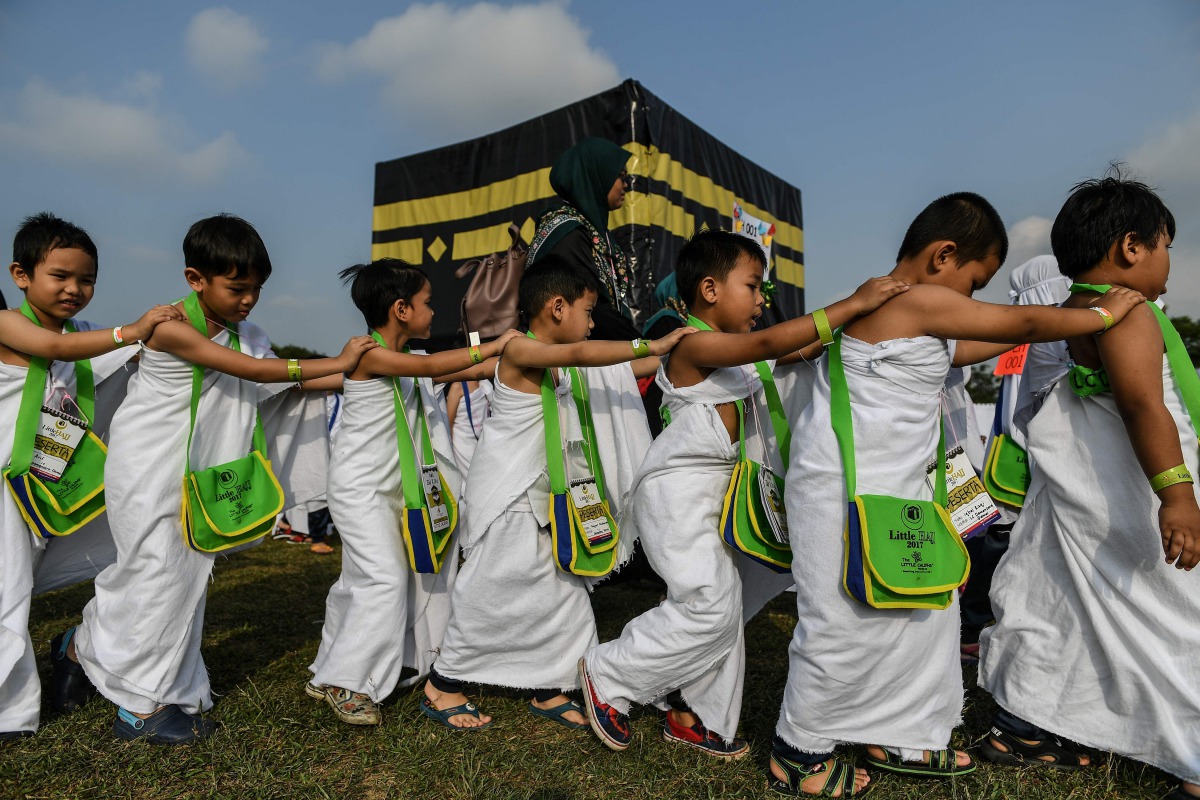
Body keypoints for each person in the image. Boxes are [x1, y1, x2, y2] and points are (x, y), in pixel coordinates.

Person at [769, 192, 1145, 797]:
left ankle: (901, 730)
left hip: (896, 494)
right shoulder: (912, 299)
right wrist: (1098, 317)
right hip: (840, 490)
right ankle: (799, 747)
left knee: (926, 612)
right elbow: (1015, 324)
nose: (970, 299)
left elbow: (972, 343)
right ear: (943, 256)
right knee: (840, 619)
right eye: (974, 283)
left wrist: (1064, 308)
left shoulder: (916, 315)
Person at [577, 230, 909, 760]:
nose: (763, 300)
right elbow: (766, 345)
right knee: (709, 603)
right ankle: (609, 672)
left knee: (727, 603)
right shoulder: (691, 342)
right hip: (677, 494)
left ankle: (692, 710)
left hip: (723, 493)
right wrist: (854, 302)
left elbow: (797, 349)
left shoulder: (741, 360)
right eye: (753, 286)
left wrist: (869, 317)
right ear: (709, 289)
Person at [71, 214, 376, 745]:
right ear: (195, 278)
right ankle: (138, 707)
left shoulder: (248, 336)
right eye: (237, 288)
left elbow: (276, 384)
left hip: (203, 475)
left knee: (181, 581)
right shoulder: (170, 327)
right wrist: (338, 359)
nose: (249, 300)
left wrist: (364, 370)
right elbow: (253, 373)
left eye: (256, 289)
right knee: (153, 575)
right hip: (148, 471)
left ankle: (82, 651)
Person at [979, 175, 1199, 800]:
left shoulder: (1079, 308)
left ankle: (1027, 724)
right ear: (1131, 247)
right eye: (1165, 248)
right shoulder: (1127, 312)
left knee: (1061, 603)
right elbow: (1142, 406)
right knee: (1175, 614)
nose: (1167, 265)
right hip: (1139, 490)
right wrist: (1178, 496)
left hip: (1088, 486)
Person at [421, 255, 693, 730]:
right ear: (557, 307)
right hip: (509, 496)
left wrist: (680, 351)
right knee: (491, 587)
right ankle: (443, 682)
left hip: (547, 496)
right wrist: (654, 341)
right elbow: (584, 355)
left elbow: (633, 365)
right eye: (588, 313)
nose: (592, 324)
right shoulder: (522, 351)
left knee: (562, 591)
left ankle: (551, 685)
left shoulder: (565, 360)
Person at [306, 258, 518, 726]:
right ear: (401, 309)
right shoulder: (368, 355)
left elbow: (443, 371)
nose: (433, 311)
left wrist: (510, 361)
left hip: (398, 490)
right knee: (381, 578)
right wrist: (497, 344)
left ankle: (329, 671)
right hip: (361, 491)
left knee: (363, 581)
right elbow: (445, 364)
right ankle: (350, 684)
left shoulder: (412, 363)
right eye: (426, 304)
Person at [0, 212, 182, 741]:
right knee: (8, 593)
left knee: (118, 560)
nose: (75, 289)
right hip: (7, 484)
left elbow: (111, 357)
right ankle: (10, 716)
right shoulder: (11, 323)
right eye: (60, 276)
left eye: (87, 280)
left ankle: (78, 648)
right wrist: (133, 330)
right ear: (21, 274)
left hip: (56, 487)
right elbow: (53, 348)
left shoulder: (87, 338)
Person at [959, 254, 1071, 663]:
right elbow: (1013, 412)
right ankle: (973, 625)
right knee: (999, 547)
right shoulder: (1026, 341)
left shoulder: (1033, 338)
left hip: (1025, 454)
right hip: (1018, 458)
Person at [528, 137, 640, 341]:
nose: (626, 185)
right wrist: (644, 347)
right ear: (597, 177)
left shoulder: (600, 235)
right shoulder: (566, 232)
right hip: (560, 362)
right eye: (620, 176)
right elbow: (588, 308)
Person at [445, 378, 491, 477]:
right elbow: (449, 422)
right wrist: (450, 449)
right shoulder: (457, 387)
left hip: (481, 442)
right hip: (462, 445)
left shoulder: (484, 385)